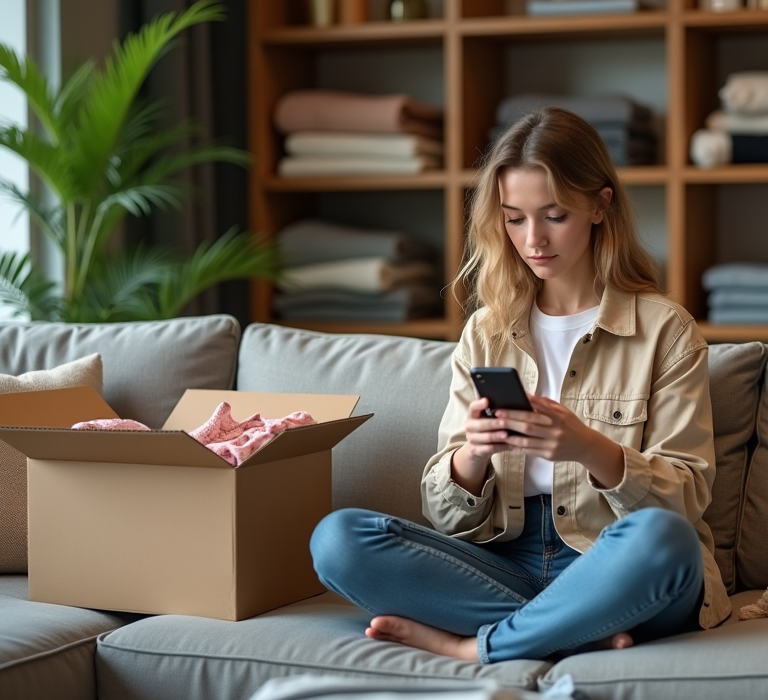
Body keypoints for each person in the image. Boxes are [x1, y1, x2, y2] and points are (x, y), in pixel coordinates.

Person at [310, 107, 731, 663]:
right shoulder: (486, 331)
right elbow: (446, 516)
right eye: (514, 218)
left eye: (554, 215)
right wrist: (473, 458)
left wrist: (589, 448)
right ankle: (574, 626)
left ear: (600, 206)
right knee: (339, 540)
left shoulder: (665, 329)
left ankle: (477, 647)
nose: (533, 240)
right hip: (508, 561)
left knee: (665, 542)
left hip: (612, 555)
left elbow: (686, 498)